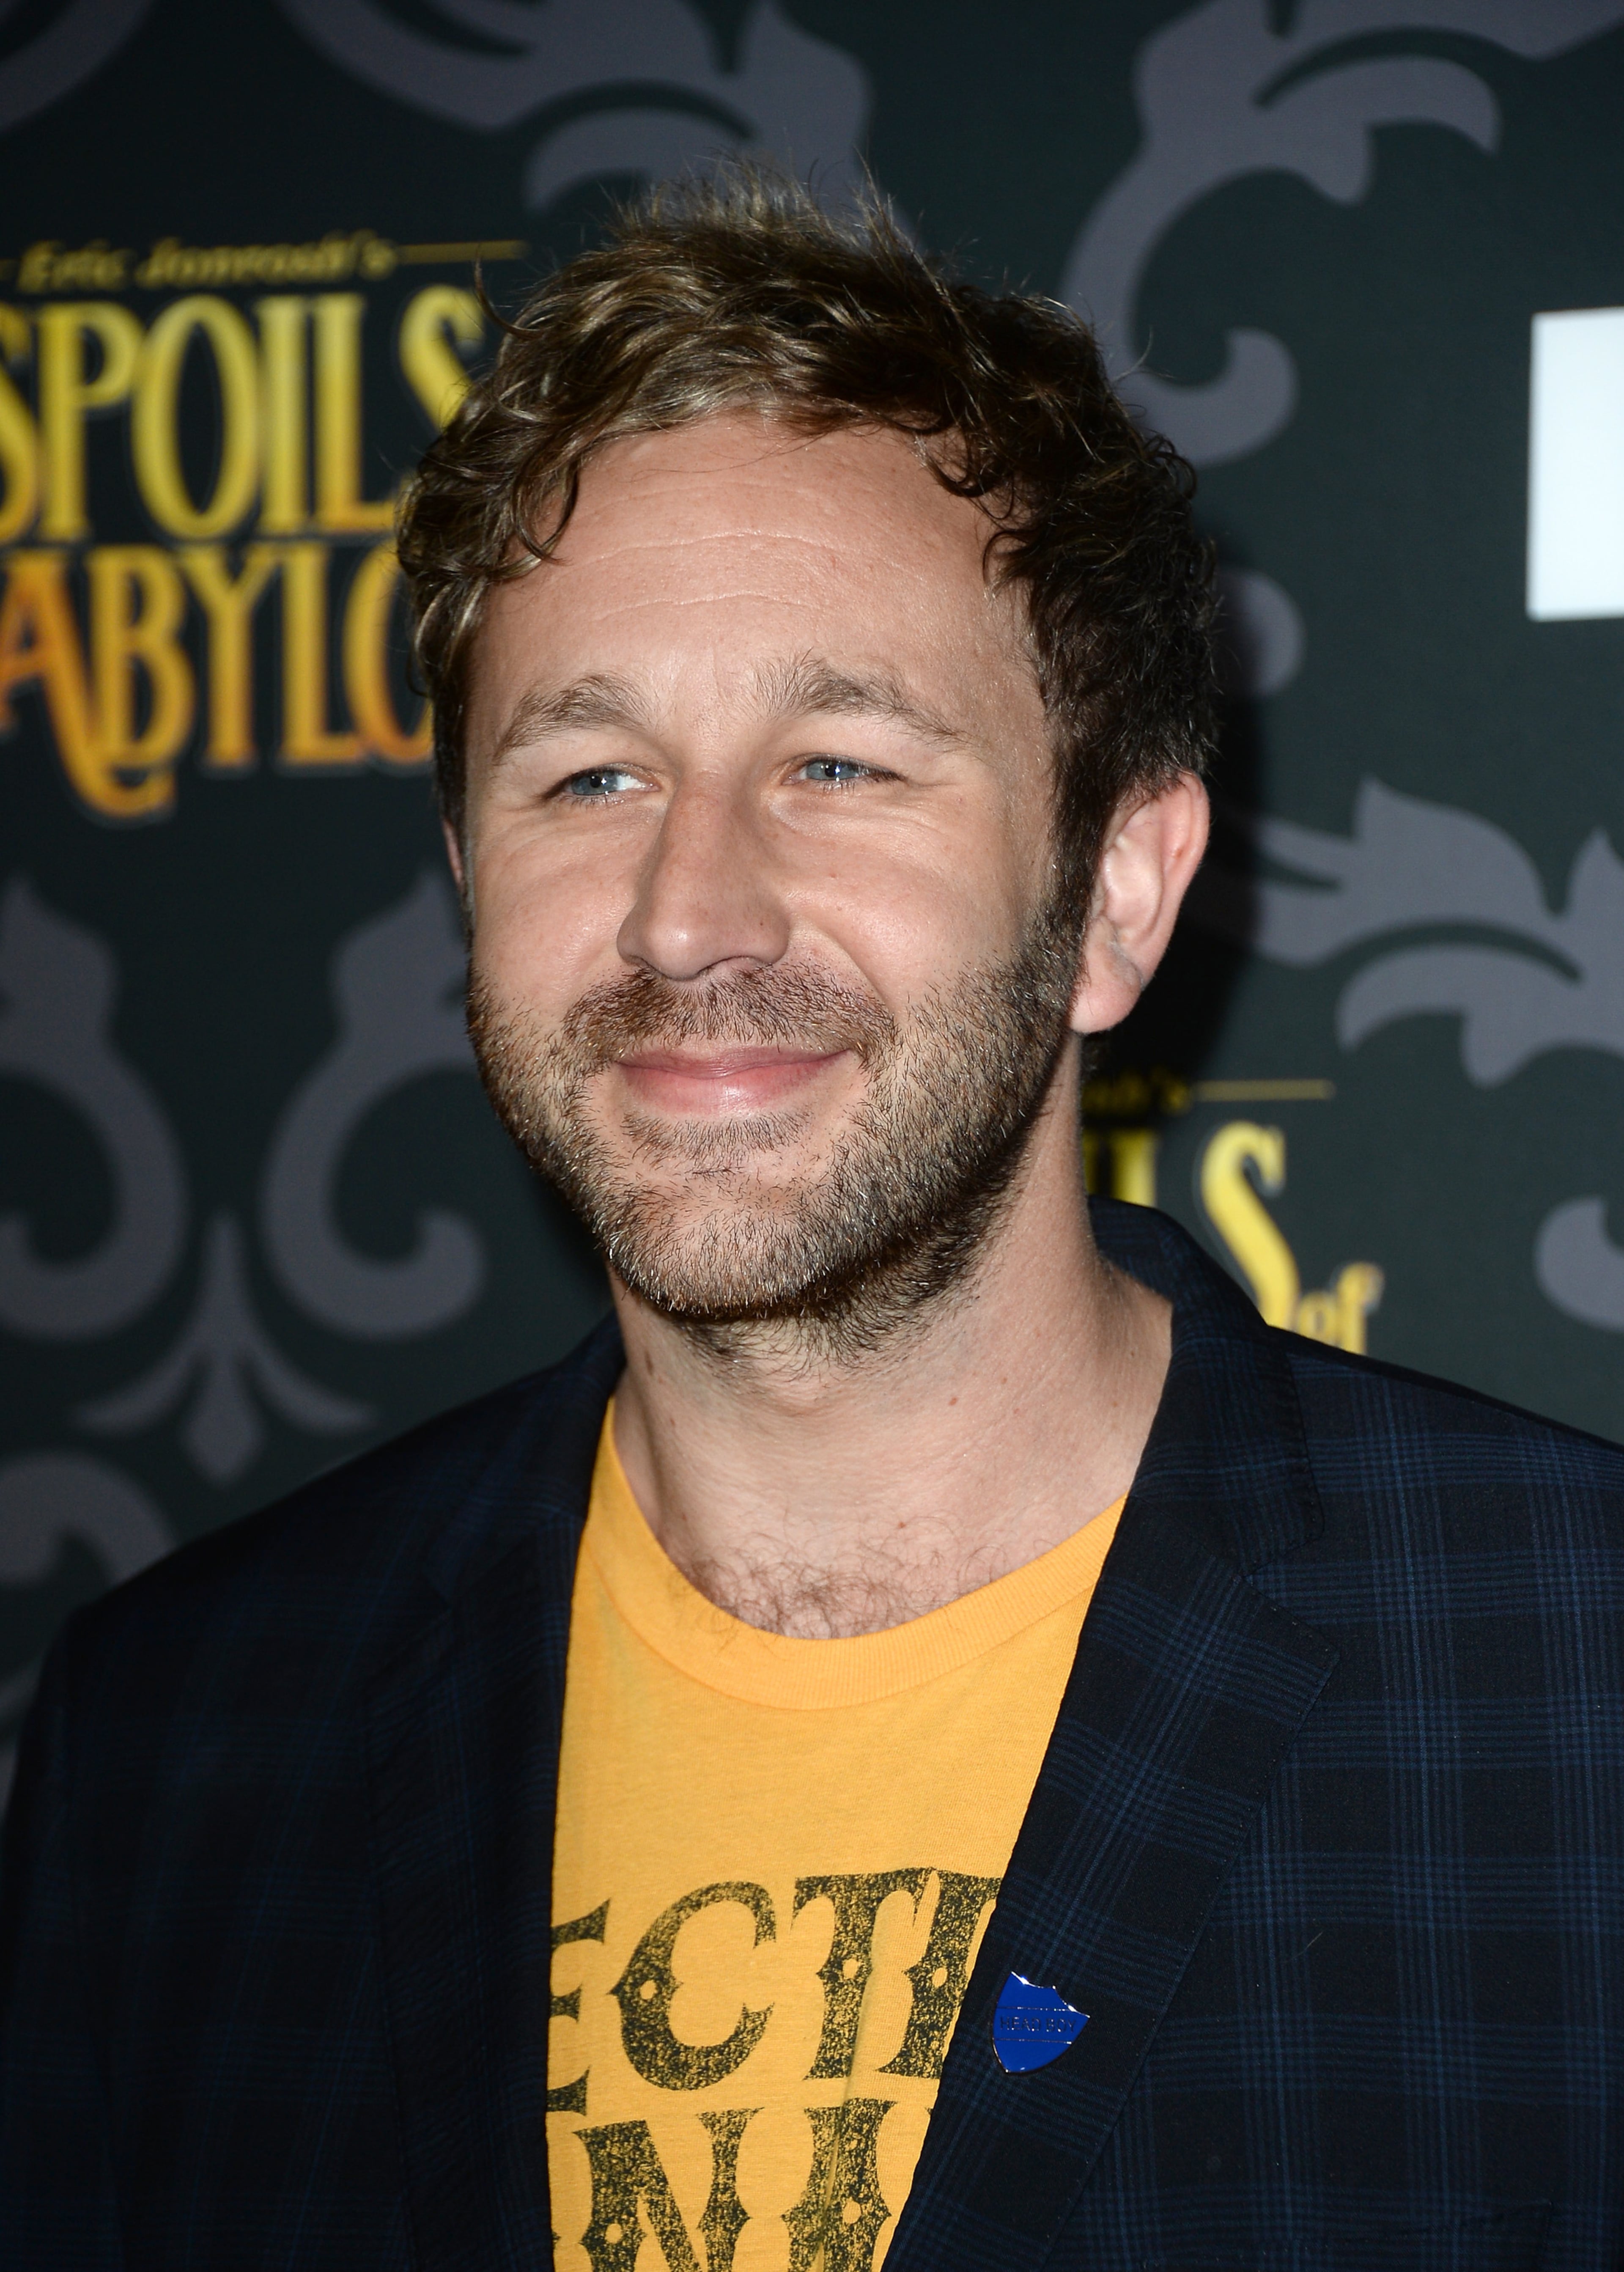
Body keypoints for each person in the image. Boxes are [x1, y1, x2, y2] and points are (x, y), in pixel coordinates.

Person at [4, 173, 1624, 2272]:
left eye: (840, 764)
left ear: (1117, 893)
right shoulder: (179, 1745)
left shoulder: (1571, 1682)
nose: (689, 912)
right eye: (589, 777)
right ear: (467, 876)